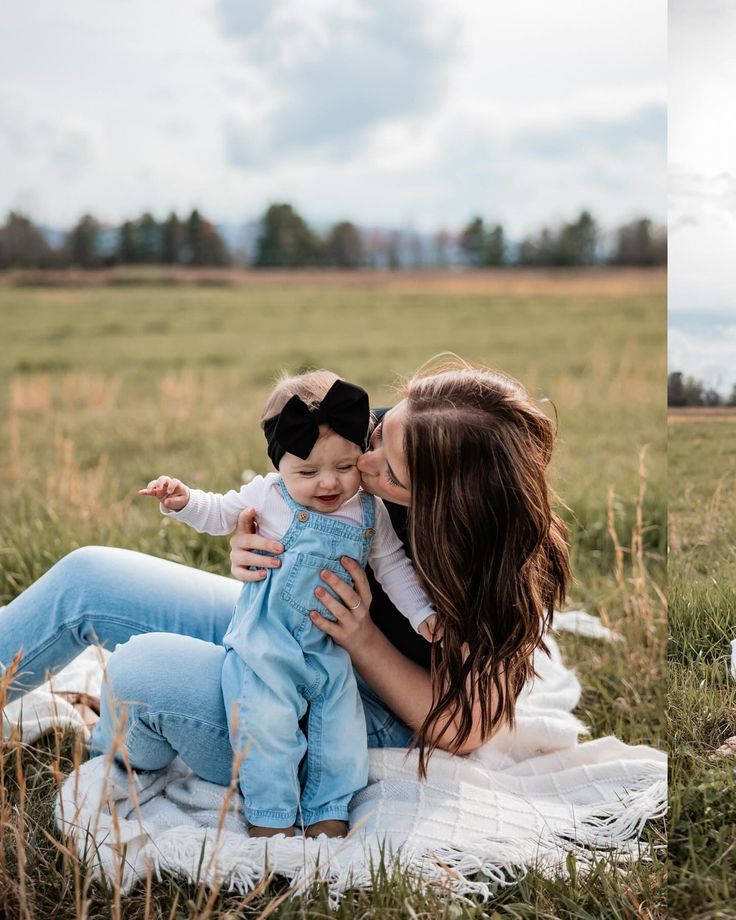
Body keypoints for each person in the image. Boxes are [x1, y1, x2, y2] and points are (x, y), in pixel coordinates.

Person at [0, 360, 570, 826]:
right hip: (282, 624)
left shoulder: (496, 567)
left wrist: (364, 639)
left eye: (389, 472)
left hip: (345, 700)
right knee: (88, 577)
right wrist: (253, 542)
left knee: (143, 676)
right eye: (376, 433)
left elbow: (465, 727)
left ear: (446, 507)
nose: (360, 465)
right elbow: (288, 482)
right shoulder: (385, 441)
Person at [137, 371, 437, 838]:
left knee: (338, 735)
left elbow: (394, 568)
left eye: (344, 466)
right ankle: (270, 822)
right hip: (266, 644)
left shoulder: (368, 511)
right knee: (265, 727)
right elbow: (220, 512)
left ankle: (329, 818)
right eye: (307, 472)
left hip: (331, 651)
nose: (328, 483)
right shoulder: (269, 495)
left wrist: (424, 615)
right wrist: (183, 501)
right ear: (280, 467)